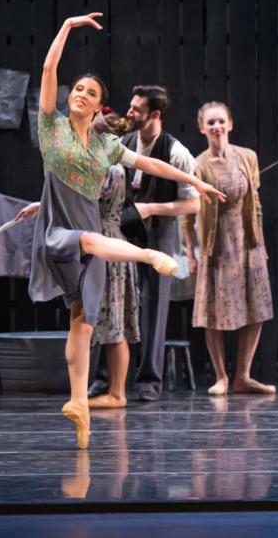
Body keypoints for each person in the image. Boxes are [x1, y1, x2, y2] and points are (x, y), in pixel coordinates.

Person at [29, 13, 223, 448]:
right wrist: (65, 27)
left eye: (90, 92)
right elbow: (47, 70)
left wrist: (196, 180)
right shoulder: (52, 127)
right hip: (60, 234)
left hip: (92, 235)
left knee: (82, 323)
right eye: (77, 89)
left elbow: (151, 164)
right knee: (92, 240)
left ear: (100, 106)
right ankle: (150, 256)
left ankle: (79, 403)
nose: (80, 94)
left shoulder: (105, 145)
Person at [90, 84, 201, 404]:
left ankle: (149, 379)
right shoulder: (123, 142)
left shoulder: (176, 152)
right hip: (124, 227)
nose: (129, 112)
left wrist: (152, 208)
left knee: (155, 302)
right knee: (114, 300)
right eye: (131, 106)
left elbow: (192, 205)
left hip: (160, 230)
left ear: (154, 115)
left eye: (137, 109)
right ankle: (104, 378)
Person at [183, 101, 276, 396]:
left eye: (220, 121)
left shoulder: (248, 157)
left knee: (256, 307)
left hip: (246, 239)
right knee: (214, 311)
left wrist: (260, 243)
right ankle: (222, 376)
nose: (216, 127)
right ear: (202, 128)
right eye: (210, 123)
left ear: (230, 124)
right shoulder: (197, 165)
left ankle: (243, 376)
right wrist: (191, 252)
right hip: (216, 241)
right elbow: (188, 213)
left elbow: (256, 204)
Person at [87, 109, 141, 409]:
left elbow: (83, 201)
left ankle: (117, 393)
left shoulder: (107, 167)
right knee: (110, 321)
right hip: (106, 241)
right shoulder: (111, 165)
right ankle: (113, 389)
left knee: (114, 322)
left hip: (106, 245)